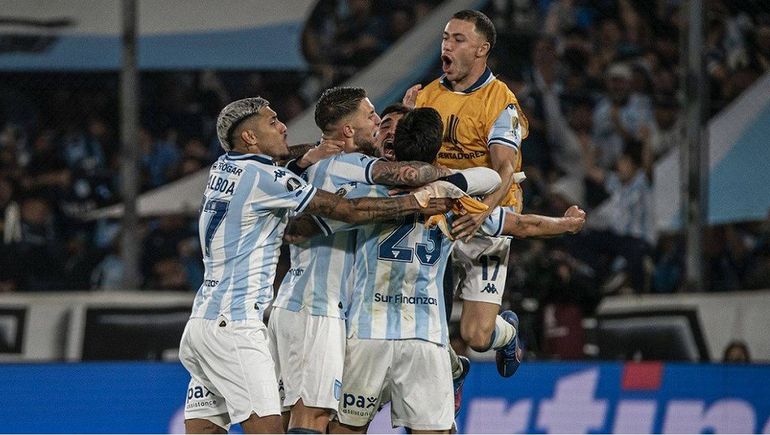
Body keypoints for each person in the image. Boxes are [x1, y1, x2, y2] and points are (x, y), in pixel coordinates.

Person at [177, 97, 452, 434]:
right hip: (248, 322)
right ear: (249, 137)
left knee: (207, 428)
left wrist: (310, 156)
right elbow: (348, 210)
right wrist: (417, 200)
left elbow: (285, 171)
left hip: (202, 323)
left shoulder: (223, 167)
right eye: (273, 121)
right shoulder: (273, 176)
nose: (283, 127)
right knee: (289, 423)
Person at [268, 87, 453, 434]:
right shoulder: (349, 165)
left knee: (287, 417)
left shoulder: (317, 164)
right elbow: (404, 177)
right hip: (318, 307)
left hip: (298, 302)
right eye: (372, 117)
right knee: (313, 417)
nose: (378, 124)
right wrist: (449, 178)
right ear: (349, 131)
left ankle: (453, 365)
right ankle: (453, 366)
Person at [404, 9, 530, 379]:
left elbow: (505, 169)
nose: (447, 45)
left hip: (488, 219)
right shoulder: (427, 95)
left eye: (458, 39)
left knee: (476, 335)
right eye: (445, 38)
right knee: (427, 322)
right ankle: (452, 372)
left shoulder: (500, 102)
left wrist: (481, 213)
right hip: (441, 219)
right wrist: (409, 117)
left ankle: (505, 334)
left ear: (481, 50)